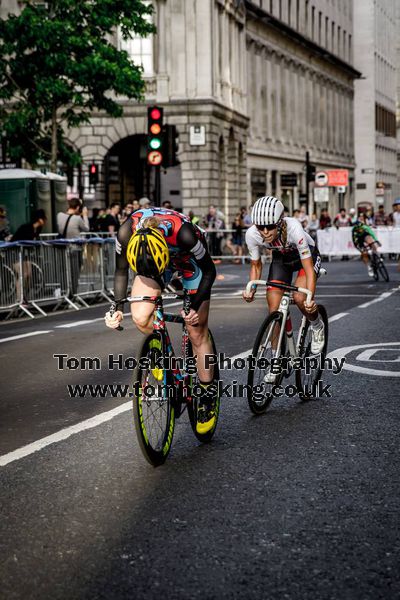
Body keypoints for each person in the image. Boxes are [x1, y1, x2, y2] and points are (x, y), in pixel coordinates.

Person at [104, 205, 218, 434]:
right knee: (140, 315)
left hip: (190, 262)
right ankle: (164, 361)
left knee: (196, 330)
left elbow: (209, 272)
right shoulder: (127, 232)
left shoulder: (185, 234)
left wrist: (194, 308)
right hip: (151, 263)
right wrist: (116, 307)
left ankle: (207, 396)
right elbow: (120, 271)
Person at [243, 196, 324, 382]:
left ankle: (317, 324)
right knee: (274, 311)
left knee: (300, 298)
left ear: (280, 223)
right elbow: (256, 266)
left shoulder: (294, 228)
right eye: (259, 227)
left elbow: (309, 270)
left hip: (306, 257)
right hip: (282, 259)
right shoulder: (252, 235)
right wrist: (251, 288)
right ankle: (277, 360)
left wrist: (310, 299)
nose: (264, 232)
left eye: (270, 227)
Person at [11, 209, 47, 303]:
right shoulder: (26, 227)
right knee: (23, 274)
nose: (45, 221)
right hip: (15, 252)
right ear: (40, 219)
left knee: (29, 274)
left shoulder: (38, 229)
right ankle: (19, 299)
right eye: (44, 218)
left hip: (25, 254)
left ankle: (24, 296)